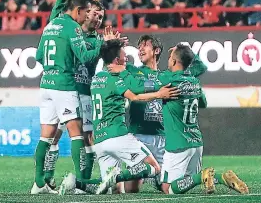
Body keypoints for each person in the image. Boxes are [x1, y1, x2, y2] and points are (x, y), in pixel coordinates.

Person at [57, 38, 178, 195]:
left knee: (114, 190)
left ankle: (76, 182)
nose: (127, 57)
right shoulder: (117, 77)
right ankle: (117, 176)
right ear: (116, 59)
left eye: (144, 46)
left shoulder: (97, 78)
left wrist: (108, 43)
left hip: (100, 140)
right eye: (124, 55)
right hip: (118, 134)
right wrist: (160, 94)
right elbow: (134, 96)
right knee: (154, 168)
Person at [109, 35, 207, 193]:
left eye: (145, 45)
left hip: (163, 137)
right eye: (139, 46)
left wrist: (181, 48)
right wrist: (111, 44)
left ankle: (158, 180)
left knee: (165, 187)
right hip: (140, 135)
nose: (140, 49)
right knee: (132, 188)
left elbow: (199, 68)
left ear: (156, 50)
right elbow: (115, 66)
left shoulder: (167, 76)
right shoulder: (133, 71)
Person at [31, 0, 102, 194]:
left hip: (46, 84)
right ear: (78, 10)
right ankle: (81, 182)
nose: (87, 16)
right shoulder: (73, 27)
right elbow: (84, 56)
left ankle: (39, 184)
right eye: (86, 12)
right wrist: (101, 45)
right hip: (64, 85)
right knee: (76, 134)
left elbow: (38, 55)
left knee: (46, 136)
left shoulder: (51, 25)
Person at [157, 44, 249, 195]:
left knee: (168, 188)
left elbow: (145, 83)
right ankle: (222, 177)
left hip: (177, 143)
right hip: (195, 142)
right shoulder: (194, 82)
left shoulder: (167, 78)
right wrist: (188, 50)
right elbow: (203, 102)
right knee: (188, 180)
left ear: (174, 62)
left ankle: (202, 176)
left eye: (170, 57)